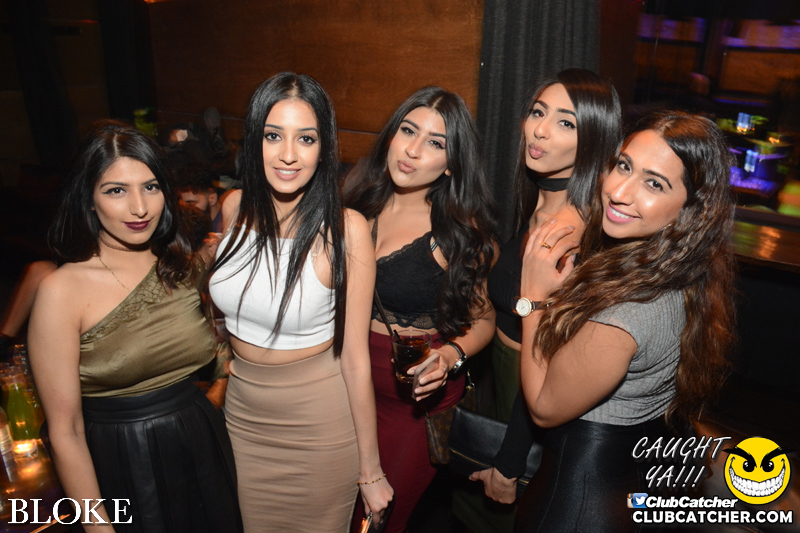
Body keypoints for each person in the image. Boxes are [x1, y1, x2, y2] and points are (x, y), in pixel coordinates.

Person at [514, 110, 735, 532]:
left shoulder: (626, 313)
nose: (619, 192)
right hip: (623, 489)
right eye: (624, 166)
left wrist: (533, 300)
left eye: (654, 184)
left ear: (690, 209)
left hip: (576, 506)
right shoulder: (681, 272)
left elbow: (542, 408)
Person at [27, 120, 241, 532]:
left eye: (150, 187)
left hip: (203, 445)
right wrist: (97, 526)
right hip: (121, 461)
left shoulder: (178, 268)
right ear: (89, 199)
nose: (140, 208)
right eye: (116, 191)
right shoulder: (61, 290)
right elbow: (65, 431)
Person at [208, 72, 393, 532]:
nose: (288, 154)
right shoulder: (232, 207)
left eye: (305, 138)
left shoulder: (346, 231)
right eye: (273, 136)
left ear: (324, 148)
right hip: (242, 417)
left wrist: (370, 470)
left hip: (318, 427)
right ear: (254, 141)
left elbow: (355, 358)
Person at [459, 68, 622, 532]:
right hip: (504, 392)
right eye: (538, 112)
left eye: (565, 122)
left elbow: (547, 366)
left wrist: (509, 464)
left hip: (524, 409)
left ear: (594, 140)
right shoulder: (543, 204)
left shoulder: (566, 236)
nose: (540, 130)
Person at [343, 86, 497, 533]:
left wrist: (449, 356)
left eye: (435, 142)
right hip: (340, 390)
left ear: (451, 163)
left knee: (372, 524)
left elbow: (484, 319)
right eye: (408, 131)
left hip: (410, 405)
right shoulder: (353, 202)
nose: (412, 150)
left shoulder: (456, 234)